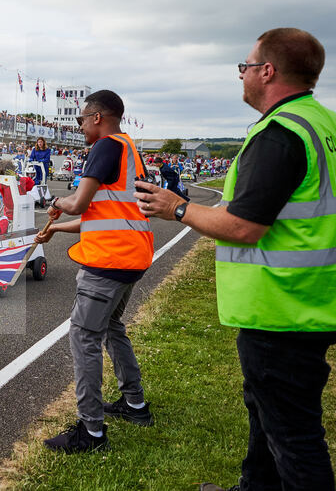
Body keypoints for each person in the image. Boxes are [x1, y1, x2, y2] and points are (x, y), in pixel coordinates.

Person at [136, 29, 336, 491]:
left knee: (295, 437)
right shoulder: (320, 123)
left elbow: (245, 226)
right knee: (267, 412)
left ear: (267, 71)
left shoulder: (280, 133)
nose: (242, 74)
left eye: (245, 66)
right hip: (307, 300)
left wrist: (177, 208)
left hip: (283, 306)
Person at [34, 89, 154, 453]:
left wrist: (55, 203)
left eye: (81, 119)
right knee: (113, 327)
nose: (80, 125)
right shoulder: (129, 149)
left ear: (97, 117)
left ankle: (92, 432)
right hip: (132, 256)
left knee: (84, 335)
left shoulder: (104, 147)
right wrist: (56, 228)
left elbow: (78, 203)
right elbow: (102, 216)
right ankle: (135, 404)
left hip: (108, 261)